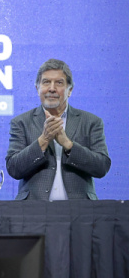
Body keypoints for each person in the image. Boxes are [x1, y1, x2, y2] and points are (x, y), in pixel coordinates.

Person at [6, 59, 111, 200]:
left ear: (70, 90)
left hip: (80, 213)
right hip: (33, 213)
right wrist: (43, 140)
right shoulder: (21, 122)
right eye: (46, 82)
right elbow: (13, 168)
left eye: (59, 83)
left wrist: (69, 145)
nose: (52, 88)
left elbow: (101, 167)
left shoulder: (91, 122)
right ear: (37, 89)